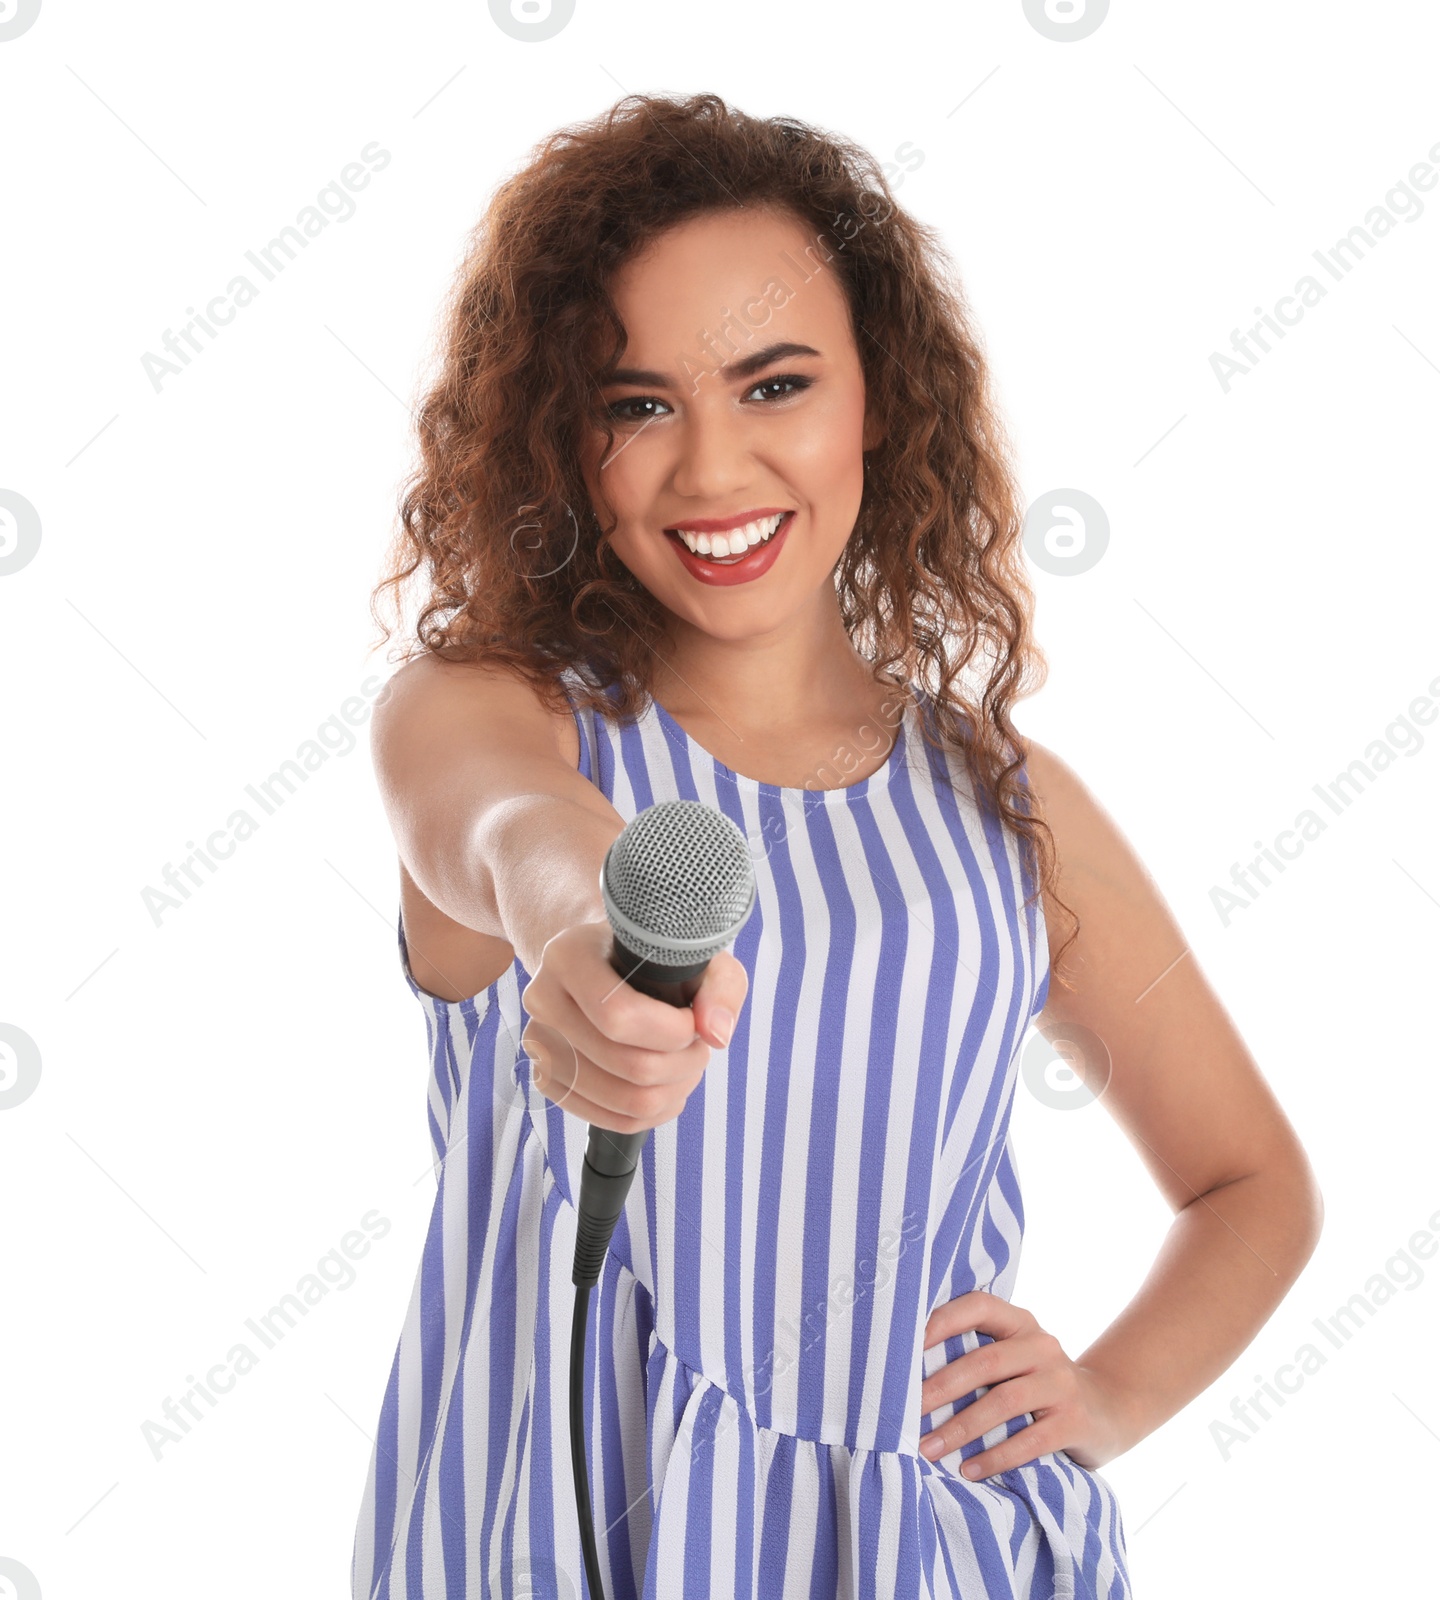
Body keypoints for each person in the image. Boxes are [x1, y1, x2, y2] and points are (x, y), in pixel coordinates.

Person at [349, 92, 1322, 1600]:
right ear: (561, 437)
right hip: (551, 1537)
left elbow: (1250, 1183)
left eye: (775, 383)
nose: (713, 469)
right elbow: (506, 827)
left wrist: (1108, 1397)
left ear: (880, 396)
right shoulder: (493, 710)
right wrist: (582, 927)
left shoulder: (1006, 803)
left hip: (935, 1553)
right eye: (635, 404)